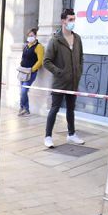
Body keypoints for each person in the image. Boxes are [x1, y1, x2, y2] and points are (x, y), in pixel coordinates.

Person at [42, 8, 85, 149]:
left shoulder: (77, 38)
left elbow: (80, 58)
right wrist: (59, 73)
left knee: (71, 109)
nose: (73, 22)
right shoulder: (55, 40)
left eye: (74, 19)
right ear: (63, 21)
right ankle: (48, 137)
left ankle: (71, 134)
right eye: (70, 20)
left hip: (73, 82)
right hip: (60, 83)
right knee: (54, 109)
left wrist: (78, 72)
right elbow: (46, 61)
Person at [18, 28, 44, 117]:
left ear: (36, 36)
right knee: (21, 91)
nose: (30, 37)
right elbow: (23, 58)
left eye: (32, 35)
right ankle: (23, 108)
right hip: (22, 71)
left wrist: (32, 69)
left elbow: (40, 61)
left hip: (30, 72)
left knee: (24, 91)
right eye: (29, 35)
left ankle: (25, 109)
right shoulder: (26, 45)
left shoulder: (39, 47)